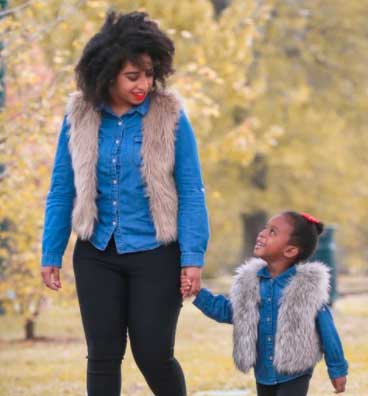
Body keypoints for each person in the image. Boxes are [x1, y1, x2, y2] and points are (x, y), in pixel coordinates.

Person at [41, 11, 209, 396]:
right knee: (102, 355)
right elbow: (61, 189)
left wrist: (193, 257)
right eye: (133, 76)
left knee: (153, 354)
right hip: (96, 252)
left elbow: (191, 190)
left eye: (149, 74)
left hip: (156, 253)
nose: (144, 84)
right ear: (107, 73)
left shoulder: (170, 115)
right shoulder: (79, 115)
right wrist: (51, 252)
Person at [182, 211, 348, 396]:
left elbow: (328, 331)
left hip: (295, 371)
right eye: (265, 228)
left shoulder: (307, 290)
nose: (262, 233)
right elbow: (228, 311)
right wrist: (198, 293)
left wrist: (337, 369)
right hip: (263, 372)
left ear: (290, 250)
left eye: (272, 232)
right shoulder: (250, 285)